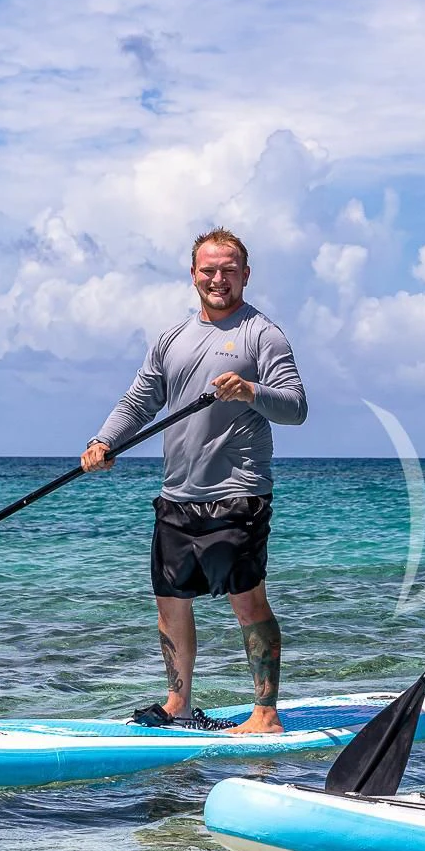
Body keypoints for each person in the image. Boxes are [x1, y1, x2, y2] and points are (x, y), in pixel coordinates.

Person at [81, 228, 307, 735]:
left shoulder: (262, 335)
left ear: (245, 275)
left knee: (247, 600)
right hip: (177, 495)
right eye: (209, 269)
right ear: (193, 275)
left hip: (238, 492)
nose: (218, 278)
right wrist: (103, 442)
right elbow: (139, 401)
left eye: (229, 269)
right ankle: (178, 704)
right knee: (170, 603)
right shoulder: (171, 338)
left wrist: (251, 390)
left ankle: (265, 714)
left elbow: (296, 407)